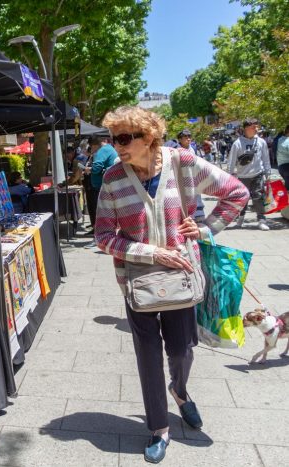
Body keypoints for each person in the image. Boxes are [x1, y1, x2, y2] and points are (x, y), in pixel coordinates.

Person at [96, 106, 248, 464]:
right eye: (112, 138)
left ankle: (180, 391)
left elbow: (237, 193)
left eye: (122, 138)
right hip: (138, 282)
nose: (115, 146)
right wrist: (150, 252)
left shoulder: (183, 163)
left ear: (148, 137)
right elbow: (103, 236)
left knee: (181, 350)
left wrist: (208, 228)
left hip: (182, 277)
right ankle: (159, 427)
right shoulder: (113, 178)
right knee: (147, 357)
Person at [227, 118, 272, 231]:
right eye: (253, 127)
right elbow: (231, 160)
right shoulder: (237, 143)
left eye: (257, 126)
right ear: (246, 128)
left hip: (258, 174)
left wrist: (268, 173)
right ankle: (241, 218)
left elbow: (266, 158)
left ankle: (261, 219)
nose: (256, 129)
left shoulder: (261, 142)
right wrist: (229, 175)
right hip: (242, 176)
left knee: (259, 197)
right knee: (243, 199)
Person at [83, 135, 118, 245]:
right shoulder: (110, 148)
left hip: (101, 186)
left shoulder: (102, 151)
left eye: (91, 147)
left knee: (100, 213)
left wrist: (89, 170)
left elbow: (97, 167)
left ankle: (98, 238)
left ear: (94, 145)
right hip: (107, 184)